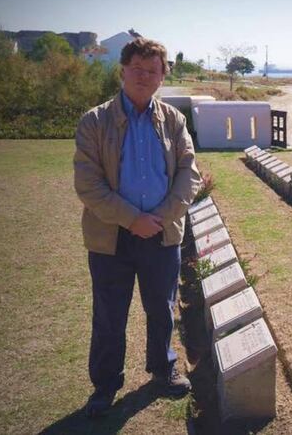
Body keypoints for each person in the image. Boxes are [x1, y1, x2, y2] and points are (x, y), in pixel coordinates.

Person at [73, 37, 202, 418]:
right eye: (137, 69)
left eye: (153, 70)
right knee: (110, 313)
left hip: (162, 234)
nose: (144, 76)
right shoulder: (95, 121)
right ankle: (105, 385)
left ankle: (163, 370)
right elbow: (88, 184)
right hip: (110, 236)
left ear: (163, 75)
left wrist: (159, 218)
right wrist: (133, 219)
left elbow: (188, 173)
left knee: (161, 309)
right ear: (122, 71)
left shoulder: (174, 120)